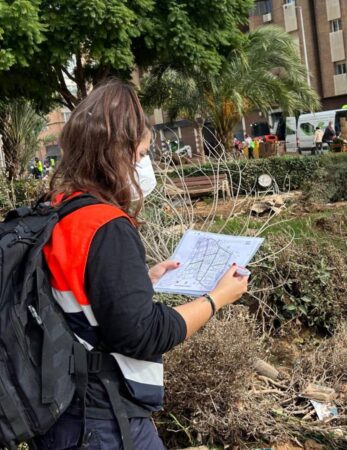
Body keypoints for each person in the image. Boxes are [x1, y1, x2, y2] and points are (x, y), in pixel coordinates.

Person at [36, 80, 249, 449]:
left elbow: (75, 296)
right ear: (116, 153)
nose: (143, 167)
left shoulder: (59, 208)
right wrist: (216, 298)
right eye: (141, 155)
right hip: (103, 421)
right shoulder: (106, 225)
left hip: (59, 413)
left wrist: (139, 281)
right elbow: (140, 333)